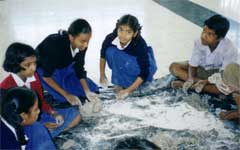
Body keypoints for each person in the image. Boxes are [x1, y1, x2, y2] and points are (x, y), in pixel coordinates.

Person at [1, 42, 80, 137]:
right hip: (23, 123)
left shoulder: (34, 77)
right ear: (15, 64)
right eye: (28, 64)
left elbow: (41, 101)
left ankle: (47, 134)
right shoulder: (5, 87)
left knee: (75, 115)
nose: (33, 68)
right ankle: (45, 134)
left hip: (37, 114)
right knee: (37, 130)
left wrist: (54, 113)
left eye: (34, 63)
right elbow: (11, 121)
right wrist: (40, 125)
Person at [36, 19, 100, 106]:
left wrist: (87, 91)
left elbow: (79, 68)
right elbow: (46, 76)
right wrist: (66, 95)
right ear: (71, 37)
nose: (86, 45)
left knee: (91, 89)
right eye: (83, 41)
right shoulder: (54, 46)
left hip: (65, 67)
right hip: (46, 71)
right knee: (64, 98)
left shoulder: (81, 45)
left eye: (88, 41)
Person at [169, 15, 238, 95]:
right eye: (204, 30)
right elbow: (193, 64)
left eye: (209, 34)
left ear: (220, 38)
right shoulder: (198, 41)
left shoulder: (230, 49)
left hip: (216, 74)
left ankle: (189, 86)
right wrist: (191, 78)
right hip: (201, 69)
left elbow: (224, 74)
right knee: (174, 67)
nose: (203, 36)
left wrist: (206, 81)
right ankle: (198, 85)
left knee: (226, 88)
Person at [99, 14, 157, 100]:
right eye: (121, 30)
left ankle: (130, 83)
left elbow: (145, 72)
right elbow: (102, 56)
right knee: (110, 51)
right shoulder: (110, 38)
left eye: (128, 32)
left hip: (145, 68)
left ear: (135, 33)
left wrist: (128, 90)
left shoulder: (139, 44)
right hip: (127, 62)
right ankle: (121, 82)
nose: (123, 35)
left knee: (118, 55)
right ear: (117, 27)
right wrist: (102, 74)